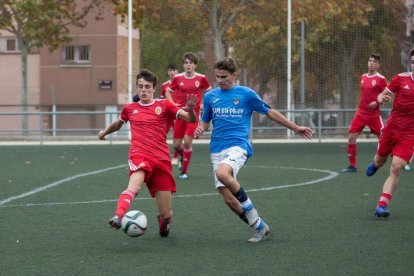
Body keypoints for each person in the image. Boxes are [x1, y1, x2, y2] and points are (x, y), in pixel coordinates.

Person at [194, 57, 313, 242]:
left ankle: (250, 210)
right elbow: (205, 119)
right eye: (217, 76)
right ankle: (259, 226)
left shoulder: (246, 94)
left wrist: (296, 127)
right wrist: (201, 127)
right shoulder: (210, 96)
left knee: (223, 174)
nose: (220, 80)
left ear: (234, 75)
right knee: (229, 199)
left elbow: (270, 112)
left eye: (224, 76)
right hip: (216, 149)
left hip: (238, 145)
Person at [98, 69, 197, 237]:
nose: (143, 90)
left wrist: (192, 109)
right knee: (134, 186)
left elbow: (190, 119)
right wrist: (104, 133)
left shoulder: (165, 105)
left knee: (167, 214)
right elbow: (118, 123)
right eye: (140, 86)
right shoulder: (130, 108)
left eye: (147, 87)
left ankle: (163, 222)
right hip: (139, 155)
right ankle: (118, 215)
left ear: (154, 88)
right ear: (137, 88)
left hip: (161, 160)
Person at [341, 54, 411, 173]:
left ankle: (401, 162)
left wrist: (377, 103)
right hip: (360, 114)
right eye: (370, 60)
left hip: (374, 116)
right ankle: (352, 166)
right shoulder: (363, 77)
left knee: (386, 139)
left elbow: (386, 95)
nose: (371, 63)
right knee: (351, 138)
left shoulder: (381, 79)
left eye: (374, 61)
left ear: (378, 64)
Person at [366, 48, 414, 218]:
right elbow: (381, 96)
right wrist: (381, 99)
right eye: (413, 62)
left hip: (410, 136)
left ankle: (382, 205)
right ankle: (376, 164)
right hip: (391, 129)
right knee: (379, 161)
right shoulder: (401, 78)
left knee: (396, 168)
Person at [165, 52, 212, 179]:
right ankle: (183, 157)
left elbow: (209, 92)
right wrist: (172, 103)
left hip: (193, 116)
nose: (188, 65)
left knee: (187, 142)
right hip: (180, 115)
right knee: (176, 145)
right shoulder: (178, 78)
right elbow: (168, 92)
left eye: (191, 63)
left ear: (195, 65)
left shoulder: (201, 78)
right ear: (183, 65)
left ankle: (184, 171)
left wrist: (203, 103)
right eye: (186, 63)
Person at [161, 64, 181, 165]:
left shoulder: (181, 83)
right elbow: (162, 99)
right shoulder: (164, 85)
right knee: (162, 133)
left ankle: (176, 157)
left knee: (177, 137)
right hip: (168, 114)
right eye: (169, 70)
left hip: (179, 113)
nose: (171, 72)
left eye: (173, 70)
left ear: (177, 71)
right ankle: (163, 154)